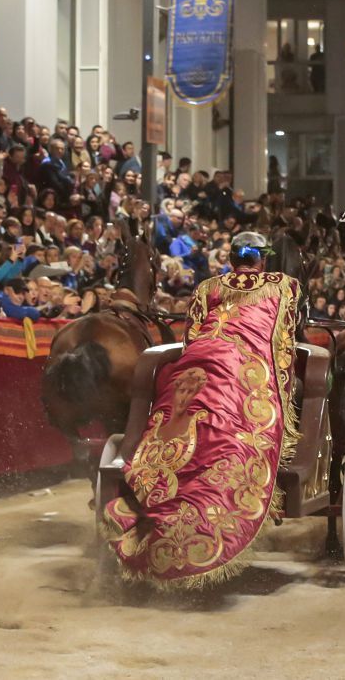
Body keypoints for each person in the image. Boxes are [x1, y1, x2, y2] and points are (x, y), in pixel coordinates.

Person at [100, 230, 303, 589]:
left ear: (231, 259)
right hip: (243, 368)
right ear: (263, 259)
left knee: (175, 423)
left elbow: (192, 337)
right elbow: (283, 342)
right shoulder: (284, 285)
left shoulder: (208, 286)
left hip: (197, 364)